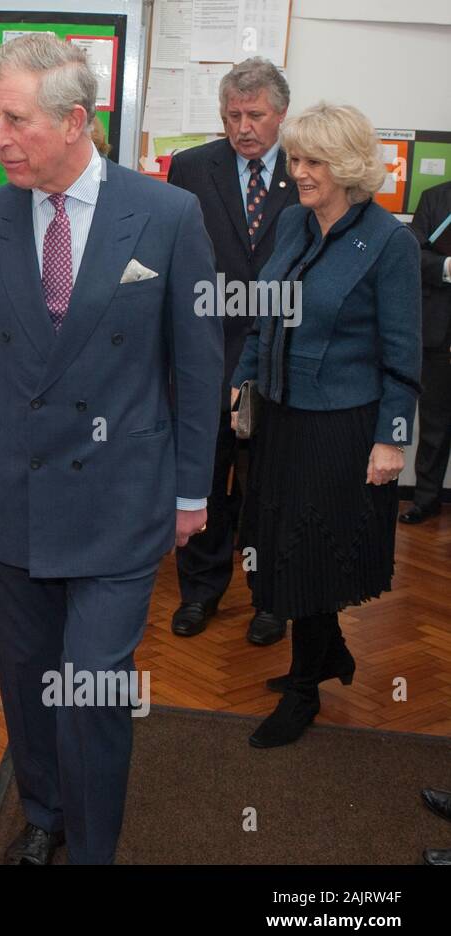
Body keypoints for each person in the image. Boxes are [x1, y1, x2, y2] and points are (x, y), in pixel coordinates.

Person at [0, 35, 222, 864]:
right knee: (26, 678)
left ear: (78, 120)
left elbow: (197, 365)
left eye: (16, 120)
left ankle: (91, 843)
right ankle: (44, 810)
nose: (0, 138)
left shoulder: (165, 215)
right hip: (13, 499)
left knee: (90, 685)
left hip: (121, 499)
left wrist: (192, 491)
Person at [232, 103, 421, 747]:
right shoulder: (293, 223)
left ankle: (305, 690)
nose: (298, 172)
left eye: (313, 161)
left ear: (346, 167)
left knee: (308, 553)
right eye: (295, 158)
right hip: (284, 416)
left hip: (341, 424)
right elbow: (264, 311)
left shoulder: (390, 242)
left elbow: (403, 352)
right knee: (280, 541)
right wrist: (243, 377)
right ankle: (328, 653)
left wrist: (392, 437)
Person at [166, 57, 299, 645]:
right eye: (232, 115)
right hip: (205, 355)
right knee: (202, 478)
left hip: (281, 357)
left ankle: (271, 597)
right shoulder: (191, 168)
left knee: (271, 486)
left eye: (255, 115)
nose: (243, 126)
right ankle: (199, 592)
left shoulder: (308, 170)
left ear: (282, 114)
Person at [399, 179, 451, 524]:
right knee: (434, 424)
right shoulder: (435, 198)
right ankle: (427, 499)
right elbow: (413, 254)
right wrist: (447, 267)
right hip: (439, 336)